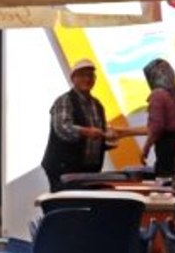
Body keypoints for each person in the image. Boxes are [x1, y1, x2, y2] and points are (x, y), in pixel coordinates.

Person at [116, 58, 175, 177]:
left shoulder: (158, 95)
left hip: (170, 149)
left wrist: (145, 149)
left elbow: (156, 128)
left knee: (167, 185)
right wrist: (124, 132)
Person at [40, 58, 117, 192]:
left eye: (90, 75)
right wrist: (87, 132)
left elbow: (97, 135)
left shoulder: (97, 105)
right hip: (63, 168)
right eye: (82, 75)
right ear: (73, 78)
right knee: (67, 205)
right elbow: (63, 128)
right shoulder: (64, 101)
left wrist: (107, 140)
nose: (87, 79)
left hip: (88, 170)